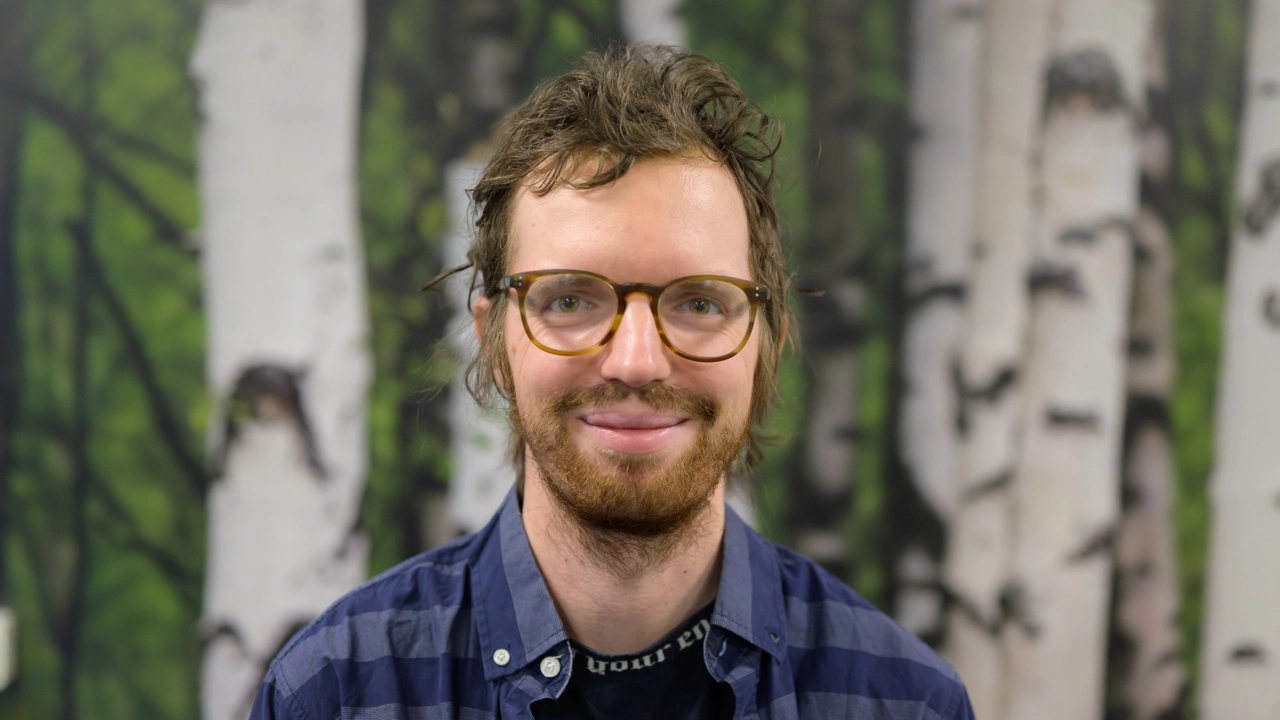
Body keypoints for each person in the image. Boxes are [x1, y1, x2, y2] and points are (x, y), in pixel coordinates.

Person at [249, 45, 974, 720]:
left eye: (699, 303)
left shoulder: (904, 702)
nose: (636, 361)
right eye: (570, 300)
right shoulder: (334, 693)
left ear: (767, 345)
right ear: (494, 341)